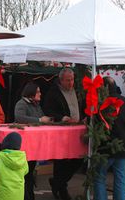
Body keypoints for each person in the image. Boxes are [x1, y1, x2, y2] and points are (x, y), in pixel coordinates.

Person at [43, 68, 84, 200]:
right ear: (61, 80)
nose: (70, 83)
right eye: (67, 80)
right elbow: (48, 110)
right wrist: (61, 118)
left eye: (72, 80)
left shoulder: (77, 91)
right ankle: (61, 188)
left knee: (79, 158)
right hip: (61, 132)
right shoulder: (53, 92)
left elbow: (82, 106)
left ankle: (58, 183)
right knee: (61, 161)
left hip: (78, 130)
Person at [14, 82, 52, 200]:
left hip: (34, 143)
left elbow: (40, 117)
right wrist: (40, 119)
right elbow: (20, 117)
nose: (40, 94)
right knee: (26, 173)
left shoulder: (36, 105)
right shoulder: (21, 104)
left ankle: (30, 195)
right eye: (38, 92)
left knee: (30, 172)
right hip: (25, 144)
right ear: (31, 93)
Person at [93, 76, 125, 200]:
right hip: (122, 145)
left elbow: (95, 125)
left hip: (104, 147)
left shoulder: (100, 103)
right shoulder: (123, 100)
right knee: (120, 177)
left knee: (99, 177)